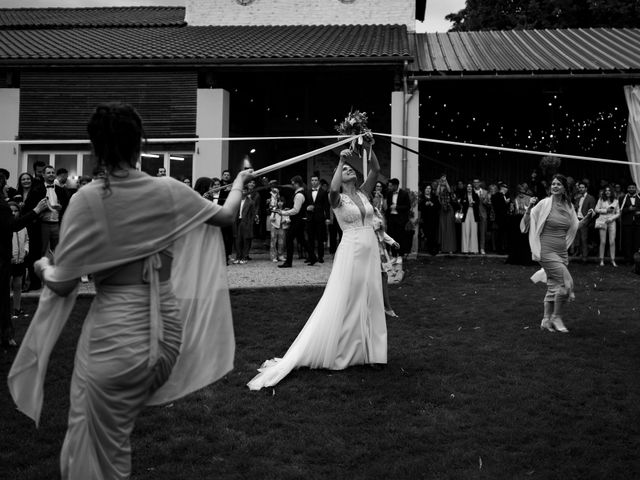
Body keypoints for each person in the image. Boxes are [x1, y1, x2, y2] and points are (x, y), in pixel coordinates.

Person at [8, 102, 253, 479]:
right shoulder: (170, 189)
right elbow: (225, 215)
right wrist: (238, 183)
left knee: (97, 447)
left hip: (116, 339)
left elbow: (63, 283)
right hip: (167, 338)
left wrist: (42, 266)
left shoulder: (87, 200)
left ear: (95, 148)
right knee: (111, 437)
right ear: (141, 143)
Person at [248, 136, 386, 390]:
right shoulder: (336, 199)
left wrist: (368, 147)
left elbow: (376, 170)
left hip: (370, 252)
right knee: (349, 298)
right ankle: (343, 351)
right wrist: (341, 158)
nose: (348, 170)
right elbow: (333, 189)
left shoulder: (364, 193)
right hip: (352, 251)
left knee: (371, 297)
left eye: (349, 168)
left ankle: (372, 352)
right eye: (344, 169)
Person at [522, 174, 595, 334]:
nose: (554, 186)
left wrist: (588, 217)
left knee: (554, 287)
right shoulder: (544, 203)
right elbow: (528, 221)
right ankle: (556, 316)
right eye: (553, 184)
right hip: (546, 251)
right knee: (566, 284)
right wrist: (528, 209)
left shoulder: (569, 206)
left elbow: (576, 226)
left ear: (564, 188)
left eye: (558, 184)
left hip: (561, 252)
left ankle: (546, 320)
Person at [0, 172, 48, 350]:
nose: (7, 187)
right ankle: (6, 336)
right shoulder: (3, 207)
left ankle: (6, 335)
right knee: (3, 299)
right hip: (3, 258)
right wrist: (36, 211)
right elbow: (13, 226)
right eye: (4, 184)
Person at [372, 206, 400, 317]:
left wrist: (392, 242)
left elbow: (381, 232)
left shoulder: (375, 210)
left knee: (383, 275)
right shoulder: (361, 211)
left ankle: (386, 306)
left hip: (380, 249)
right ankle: (379, 306)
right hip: (369, 249)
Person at [277, 175, 308, 268]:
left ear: (297, 184)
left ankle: (288, 262)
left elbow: (296, 210)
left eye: (293, 183)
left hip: (297, 221)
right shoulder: (299, 193)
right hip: (298, 220)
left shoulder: (299, 195)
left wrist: (283, 212)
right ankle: (313, 257)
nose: (292, 185)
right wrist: (288, 209)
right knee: (302, 240)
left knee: (289, 238)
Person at [8, 202, 29, 319]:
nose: (13, 213)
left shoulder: (23, 227)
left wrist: (26, 250)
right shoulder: (4, 226)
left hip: (20, 260)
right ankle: (5, 311)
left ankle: (17, 308)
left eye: (16, 211)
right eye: (11, 210)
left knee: (18, 285)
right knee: (6, 286)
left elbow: (27, 240)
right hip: (8, 262)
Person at [305, 172, 330, 265]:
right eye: (312, 180)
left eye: (315, 180)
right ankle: (311, 256)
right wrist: (307, 208)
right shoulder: (307, 192)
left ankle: (320, 257)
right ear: (310, 181)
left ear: (318, 181)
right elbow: (305, 204)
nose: (314, 182)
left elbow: (327, 206)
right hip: (310, 218)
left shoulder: (323, 192)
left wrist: (327, 218)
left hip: (320, 218)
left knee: (320, 238)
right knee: (310, 238)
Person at [385, 178, 411, 262]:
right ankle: (393, 255)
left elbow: (408, 206)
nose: (389, 187)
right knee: (392, 237)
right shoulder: (389, 193)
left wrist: (396, 207)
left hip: (400, 219)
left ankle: (400, 255)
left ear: (396, 186)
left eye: (390, 186)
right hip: (391, 218)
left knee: (400, 237)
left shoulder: (404, 194)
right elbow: (388, 206)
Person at [594, 186, 620, 267]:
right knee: (603, 241)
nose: (607, 192)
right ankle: (601, 260)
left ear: (612, 192)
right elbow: (596, 209)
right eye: (606, 191)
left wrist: (612, 218)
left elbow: (618, 213)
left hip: (612, 221)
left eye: (609, 191)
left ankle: (613, 260)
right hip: (602, 220)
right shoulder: (601, 199)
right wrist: (605, 210)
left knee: (612, 241)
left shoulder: (616, 201)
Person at [573, 181, 596, 263]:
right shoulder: (578, 197)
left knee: (584, 239)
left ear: (586, 188)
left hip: (584, 220)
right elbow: (576, 208)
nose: (581, 189)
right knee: (577, 239)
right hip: (576, 220)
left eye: (583, 187)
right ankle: (580, 255)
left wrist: (587, 220)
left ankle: (585, 257)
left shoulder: (591, 198)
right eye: (580, 187)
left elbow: (593, 211)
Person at [232, 186, 255, 264]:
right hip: (237, 221)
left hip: (246, 221)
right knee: (237, 240)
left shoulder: (250, 202)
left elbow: (253, 214)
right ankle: (238, 256)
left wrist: (250, 223)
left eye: (245, 191)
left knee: (246, 240)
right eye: (242, 191)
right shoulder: (236, 201)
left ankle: (244, 257)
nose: (243, 192)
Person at [619, 183, 640, 263]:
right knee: (627, 242)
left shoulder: (639, 197)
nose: (631, 189)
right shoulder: (622, 198)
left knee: (637, 242)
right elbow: (619, 211)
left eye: (633, 187)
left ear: (635, 189)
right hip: (627, 223)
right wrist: (628, 209)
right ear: (627, 189)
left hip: (638, 223)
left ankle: (636, 260)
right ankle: (628, 259)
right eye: (630, 187)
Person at [418, 184, 440, 255]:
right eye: (427, 188)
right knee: (427, 234)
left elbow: (438, 206)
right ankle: (430, 249)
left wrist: (432, 204)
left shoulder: (434, 197)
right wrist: (425, 204)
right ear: (424, 189)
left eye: (429, 188)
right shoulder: (421, 198)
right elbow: (420, 208)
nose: (428, 190)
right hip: (425, 219)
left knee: (434, 234)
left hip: (433, 218)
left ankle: (435, 249)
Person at [460, 183, 479, 254]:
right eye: (468, 186)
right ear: (466, 188)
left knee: (473, 231)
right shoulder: (463, 195)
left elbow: (477, 204)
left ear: (472, 188)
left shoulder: (476, 195)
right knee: (465, 230)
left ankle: (473, 249)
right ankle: (465, 249)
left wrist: (473, 203)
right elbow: (462, 203)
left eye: (470, 186)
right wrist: (468, 203)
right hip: (465, 214)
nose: (469, 188)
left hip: (474, 214)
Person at [472, 178, 488, 254]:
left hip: (482, 214)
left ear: (480, 183)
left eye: (477, 182)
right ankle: (474, 248)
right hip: (473, 214)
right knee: (474, 232)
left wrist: (484, 200)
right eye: (474, 182)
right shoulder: (471, 191)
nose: (476, 184)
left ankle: (482, 248)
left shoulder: (485, 192)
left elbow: (487, 204)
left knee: (482, 232)